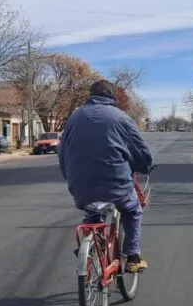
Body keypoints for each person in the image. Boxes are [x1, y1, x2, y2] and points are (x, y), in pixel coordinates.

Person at [58, 79, 155, 272]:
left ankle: (90, 246)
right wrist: (145, 165)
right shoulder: (120, 117)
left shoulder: (74, 118)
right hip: (116, 185)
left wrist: (69, 176)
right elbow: (139, 150)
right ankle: (133, 257)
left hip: (81, 185)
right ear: (112, 97)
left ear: (90, 95)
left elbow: (62, 153)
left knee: (93, 213)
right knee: (133, 210)